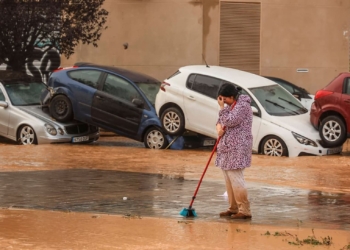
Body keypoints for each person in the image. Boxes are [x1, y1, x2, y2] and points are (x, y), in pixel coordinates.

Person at [215, 83, 253, 220]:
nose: (223, 102)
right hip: (226, 148)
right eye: (221, 100)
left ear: (231, 96)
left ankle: (244, 209)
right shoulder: (231, 106)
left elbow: (230, 121)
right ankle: (233, 207)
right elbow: (220, 121)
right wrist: (218, 128)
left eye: (225, 99)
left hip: (238, 148)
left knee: (236, 178)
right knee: (228, 179)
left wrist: (221, 108)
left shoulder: (243, 106)